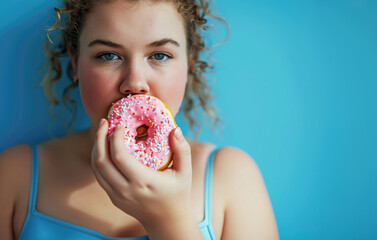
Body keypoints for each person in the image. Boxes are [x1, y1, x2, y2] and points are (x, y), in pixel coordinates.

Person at [0, 0, 279, 239]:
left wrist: (168, 219)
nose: (134, 83)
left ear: (189, 62)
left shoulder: (231, 178)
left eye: (160, 55)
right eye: (108, 55)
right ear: (75, 63)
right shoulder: (15, 175)